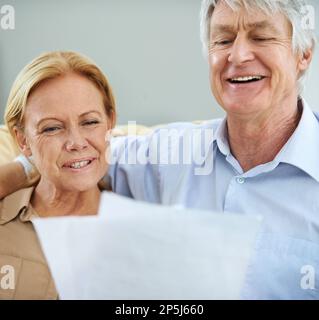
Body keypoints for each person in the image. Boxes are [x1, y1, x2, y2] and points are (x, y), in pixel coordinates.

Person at [0, 0, 318, 299]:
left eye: (261, 36)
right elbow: (79, 152)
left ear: (303, 54)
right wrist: (23, 166)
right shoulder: (165, 154)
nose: (238, 55)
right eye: (223, 41)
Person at [0, 51, 116, 299]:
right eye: (52, 128)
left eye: (90, 122)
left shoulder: (142, 219)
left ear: (110, 122)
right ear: (23, 140)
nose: (76, 143)